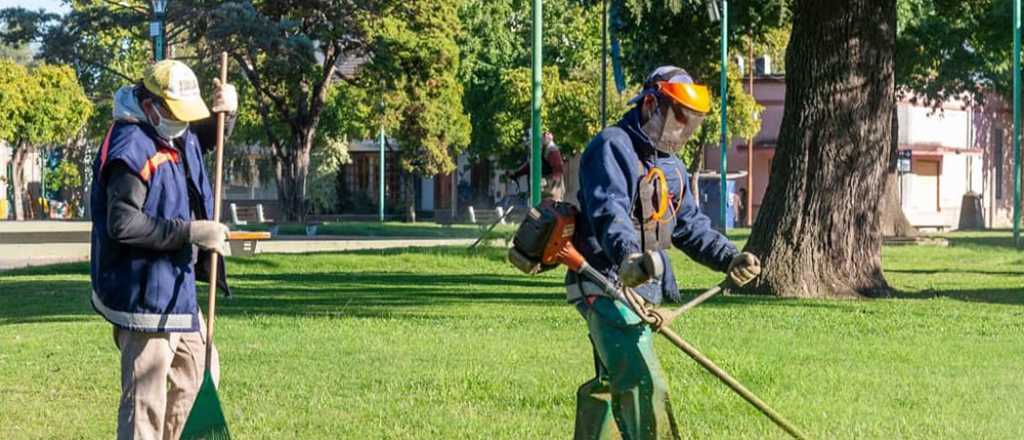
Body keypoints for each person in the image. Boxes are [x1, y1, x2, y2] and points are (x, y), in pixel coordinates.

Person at [567, 66, 762, 439]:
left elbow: (689, 226)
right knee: (643, 382)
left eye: (690, 123)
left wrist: (729, 257)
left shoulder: (670, 165)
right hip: (604, 283)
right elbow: (610, 212)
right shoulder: (611, 147)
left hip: (642, 291)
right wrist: (627, 259)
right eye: (678, 118)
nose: (682, 132)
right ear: (651, 104)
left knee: (614, 380)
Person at [89, 59, 238, 439]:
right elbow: (122, 224)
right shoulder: (130, 148)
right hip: (141, 295)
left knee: (199, 372)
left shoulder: (172, 130)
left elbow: (203, 138)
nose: (184, 122)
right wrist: (189, 232)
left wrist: (228, 112)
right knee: (145, 401)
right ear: (151, 105)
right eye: (176, 113)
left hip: (177, 287)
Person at [507, 131, 565, 201]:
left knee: (551, 207)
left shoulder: (551, 149)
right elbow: (531, 166)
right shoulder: (543, 150)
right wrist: (516, 174)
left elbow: (558, 171)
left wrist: (546, 182)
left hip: (552, 189)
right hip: (545, 188)